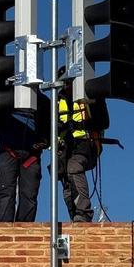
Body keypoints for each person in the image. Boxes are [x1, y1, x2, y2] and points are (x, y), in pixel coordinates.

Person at [56, 82, 108, 222]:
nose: (67, 85)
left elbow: (104, 122)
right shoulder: (57, 98)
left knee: (74, 168)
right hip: (64, 147)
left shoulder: (90, 96)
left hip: (85, 143)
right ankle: (76, 217)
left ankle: (84, 212)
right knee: (67, 182)